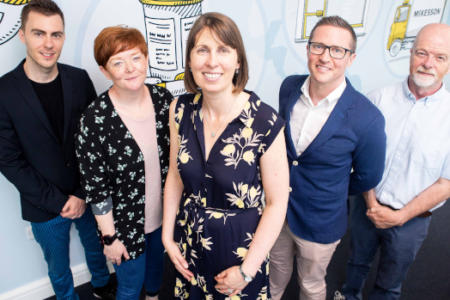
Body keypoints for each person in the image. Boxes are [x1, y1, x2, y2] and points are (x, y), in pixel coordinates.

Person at [162, 12, 289, 299]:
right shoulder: (179, 110)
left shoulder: (264, 121)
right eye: (202, 50)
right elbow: (174, 175)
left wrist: (247, 270)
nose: (211, 61)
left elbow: (277, 202)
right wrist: (168, 238)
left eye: (223, 50)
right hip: (190, 249)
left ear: (238, 61)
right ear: (191, 60)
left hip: (241, 254)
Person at [0, 1, 116, 299]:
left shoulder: (79, 79)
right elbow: (9, 160)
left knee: (96, 246)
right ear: (23, 35)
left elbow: (94, 141)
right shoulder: (4, 92)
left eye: (56, 34)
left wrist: (80, 192)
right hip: (43, 204)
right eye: (39, 34)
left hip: (86, 192)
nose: (49, 44)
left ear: (64, 36)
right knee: (58, 265)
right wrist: (60, 201)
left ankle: (103, 284)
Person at [270, 16, 386, 300]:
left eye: (337, 50)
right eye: (318, 46)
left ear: (351, 58)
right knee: (273, 275)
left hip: (321, 221)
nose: (325, 57)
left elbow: (367, 177)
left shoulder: (367, 117)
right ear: (307, 49)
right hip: (277, 210)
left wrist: (329, 190)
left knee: (310, 285)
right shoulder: (289, 88)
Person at [334, 23, 450, 300]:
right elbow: (359, 158)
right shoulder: (377, 99)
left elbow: (446, 183)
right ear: (410, 53)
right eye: (421, 53)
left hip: (411, 221)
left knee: (389, 285)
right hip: (366, 207)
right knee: (355, 266)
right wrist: (373, 204)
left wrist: (400, 216)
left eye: (439, 57)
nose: (427, 63)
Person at [75, 26, 172, 300]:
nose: (130, 68)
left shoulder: (165, 102)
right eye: (118, 62)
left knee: (156, 274)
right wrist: (109, 239)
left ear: (146, 58)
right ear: (105, 71)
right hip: (123, 228)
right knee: (130, 286)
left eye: (136, 57)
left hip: (163, 216)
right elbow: (96, 189)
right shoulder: (94, 120)